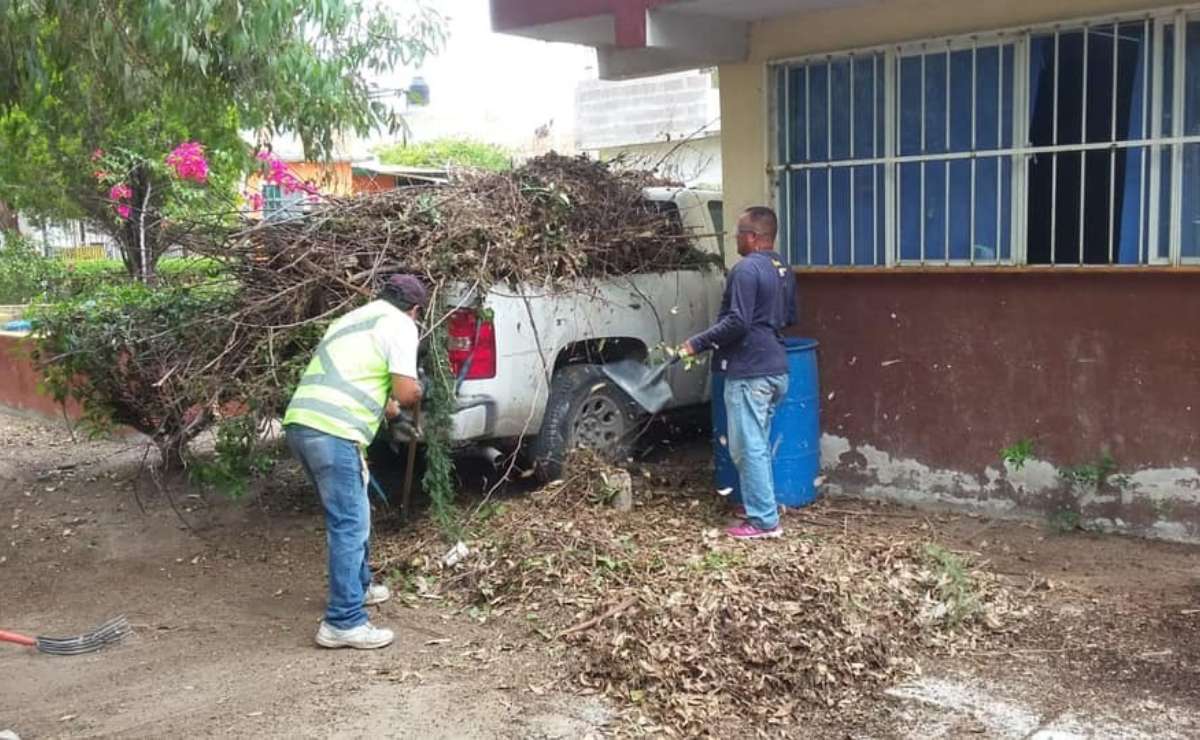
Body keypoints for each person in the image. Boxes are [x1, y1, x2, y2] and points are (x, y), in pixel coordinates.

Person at [283, 274, 427, 649]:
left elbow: (358, 378)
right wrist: (414, 392)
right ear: (414, 310)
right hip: (334, 432)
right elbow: (405, 390)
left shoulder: (352, 320)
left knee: (354, 510)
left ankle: (360, 587)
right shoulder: (402, 325)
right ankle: (343, 622)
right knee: (349, 523)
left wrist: (390, 409)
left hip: (303, 425)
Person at [681, 206, 796, 540]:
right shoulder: (782, 268)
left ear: (753, 237)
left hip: (751, 372)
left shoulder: (745, 269)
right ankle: (762, 506)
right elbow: (789, 316)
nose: (735, 239)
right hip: (776, 368)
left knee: (749, 448)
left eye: (738, 233)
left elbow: (738, 321)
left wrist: (697, 343)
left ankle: (764, 522)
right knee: (754, 443)